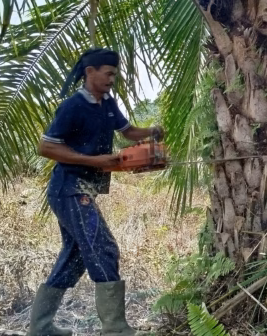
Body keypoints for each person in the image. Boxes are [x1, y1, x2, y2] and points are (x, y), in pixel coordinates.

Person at [27, 48, 164, 336]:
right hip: (70, 189)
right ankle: (115, 329)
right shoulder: (73, 106)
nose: (113, 79)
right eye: (109, 73)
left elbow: (128, 132)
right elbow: (46, 147)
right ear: (90, 72)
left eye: (115, 74)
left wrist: (152, 132)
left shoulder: (107, 104)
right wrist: (94, 161)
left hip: (83, 188)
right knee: (103, 248)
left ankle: (41, 328)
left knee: (75, 256)